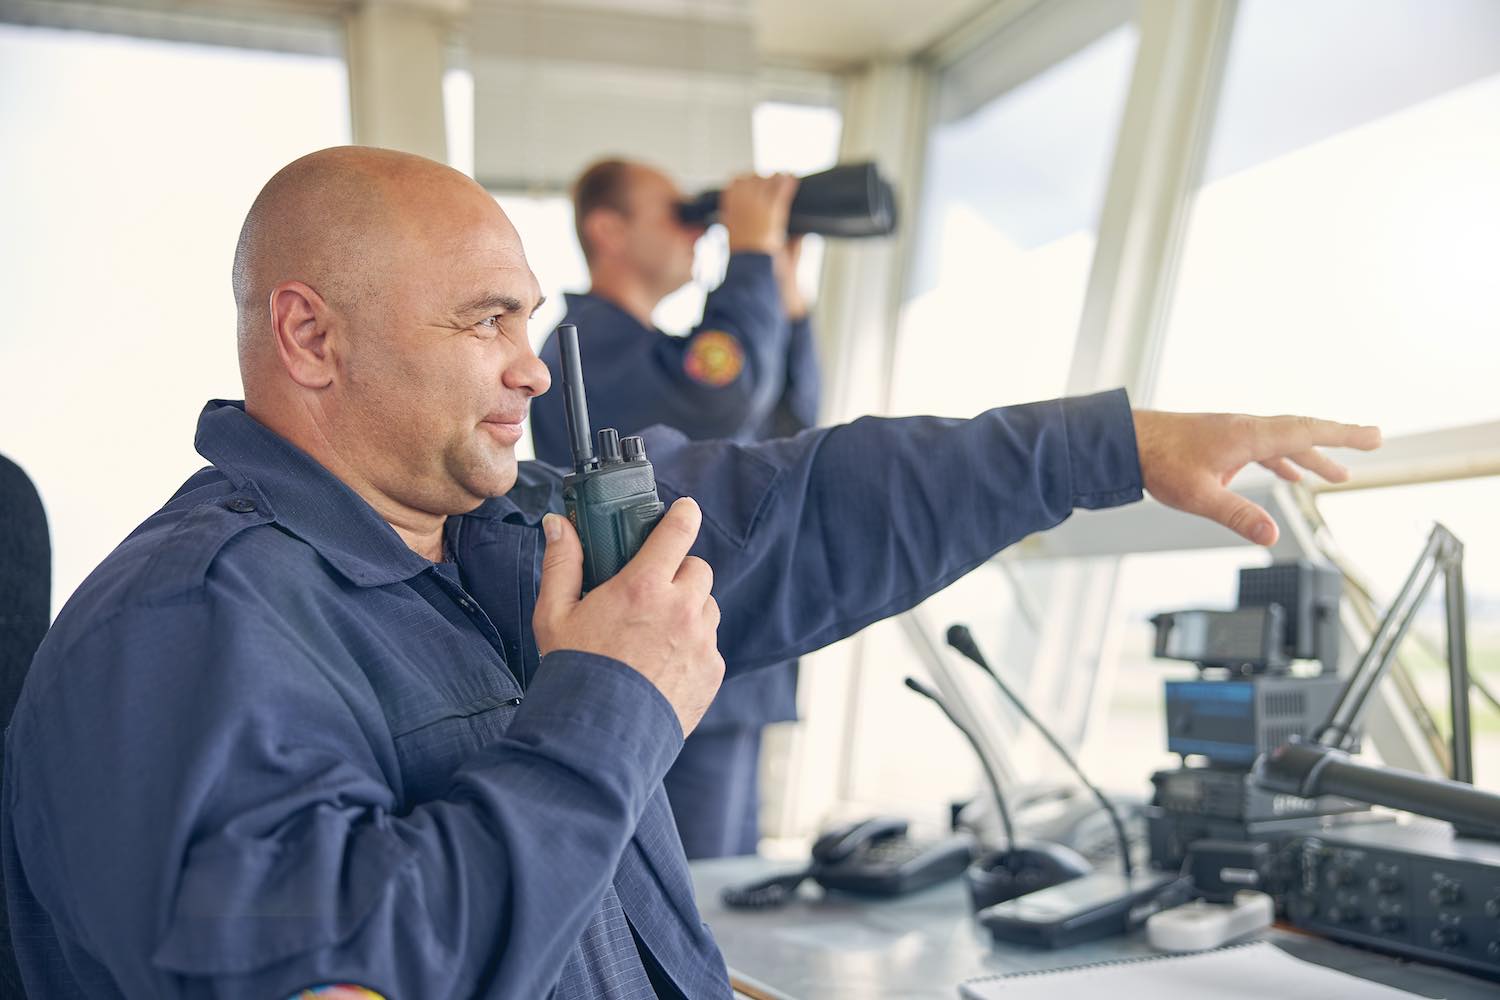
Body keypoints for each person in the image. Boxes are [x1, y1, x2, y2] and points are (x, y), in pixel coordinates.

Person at [1, 146, 1380, 1000]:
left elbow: (815, 501)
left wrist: (1116, 443)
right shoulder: (184, 635)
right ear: (310, 337)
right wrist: (606, 701)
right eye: (485, 321)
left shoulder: (500, 529)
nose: (533, 368)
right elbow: (364, 968)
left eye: (530, 321)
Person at [531, 159, 816, 860]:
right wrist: (745, 252)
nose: (698, 229)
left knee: (725, 898)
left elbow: (788, 419)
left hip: (721, 661)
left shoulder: (657, 354)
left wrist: (780, 287)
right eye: (676, 213)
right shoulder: (585, 349)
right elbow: (723, 397)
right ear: (609, 229)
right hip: (655, 671)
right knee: (690, 897)